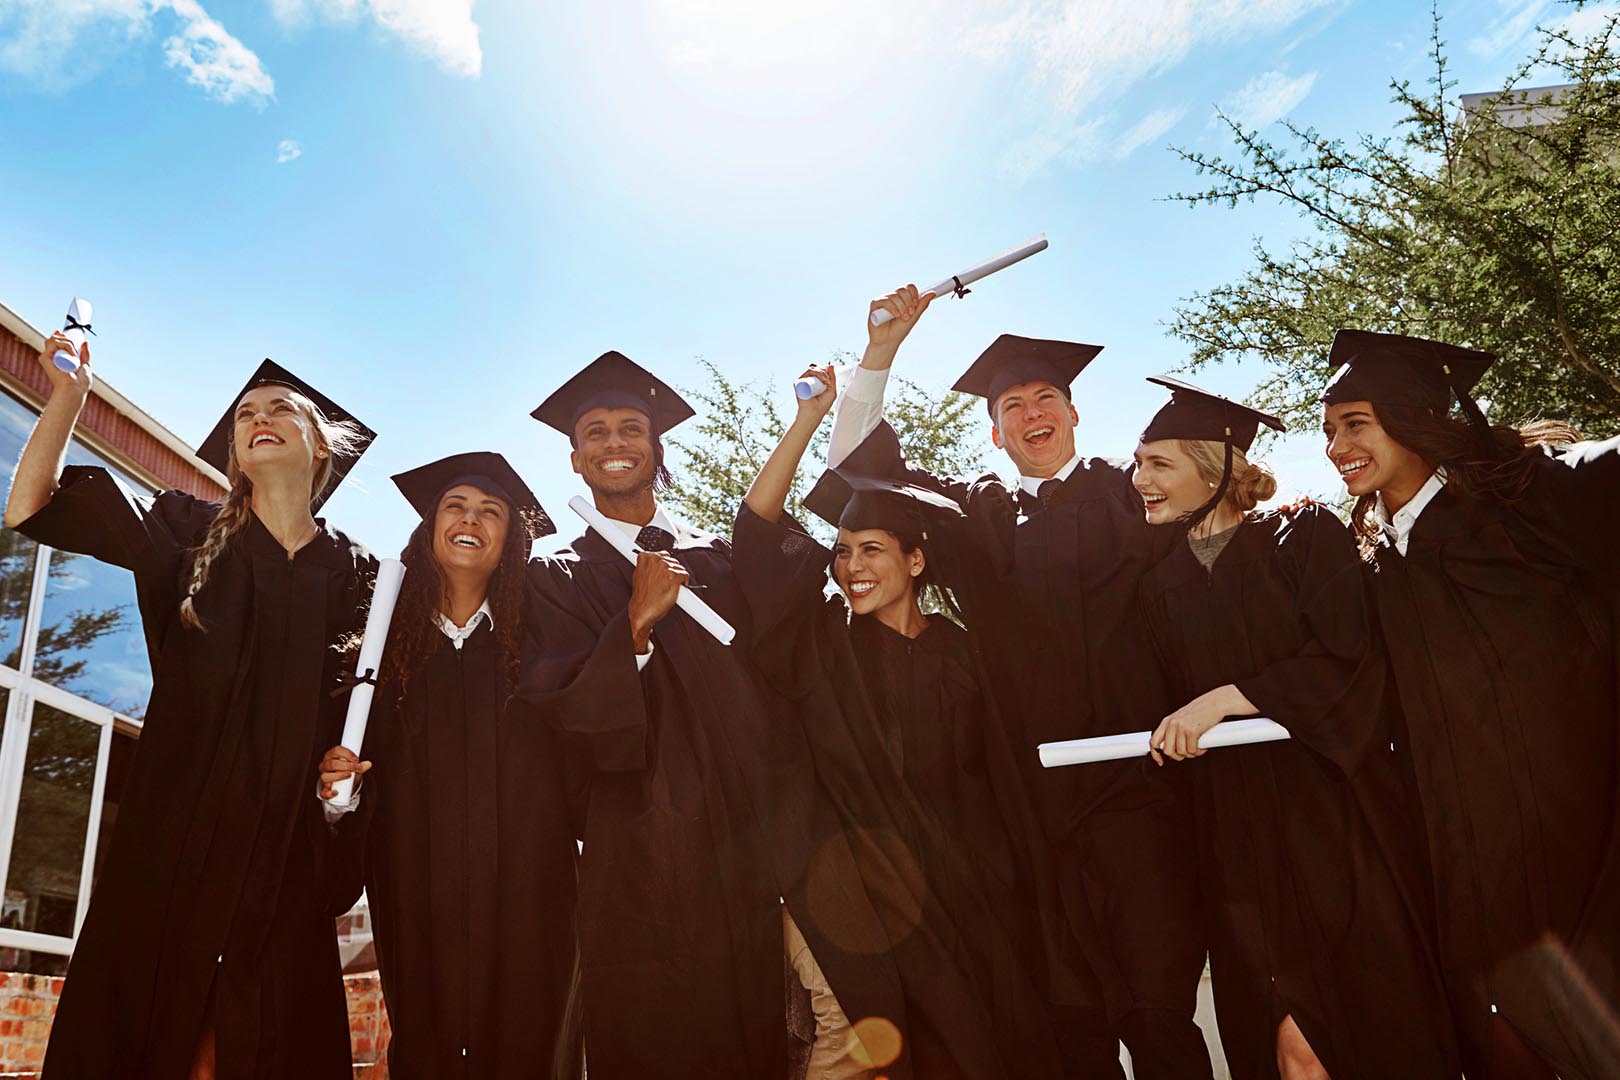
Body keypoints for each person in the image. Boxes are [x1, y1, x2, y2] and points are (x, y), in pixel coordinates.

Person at [828, 287, 1213, 1078]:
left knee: (1160, 1015)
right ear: (994, 429)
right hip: (1029, 813)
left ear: (1073, 413)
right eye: (1013, 403)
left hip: (1144, 790)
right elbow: (860, 464)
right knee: (1066, 1032)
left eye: (1047, 397)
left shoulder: (1137, 488)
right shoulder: (976, 513)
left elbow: (1230, 511)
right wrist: (881, 351)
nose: (1033, 412)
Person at [4, 346, 375, 1080]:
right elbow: (30, 508)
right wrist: (70, 401)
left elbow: (366, 721)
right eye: (246, 413)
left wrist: (346, 784)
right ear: (234, 450)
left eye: (279, 409)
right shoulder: (185, 527)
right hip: (171, 846)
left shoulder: (363, 574)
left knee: (258, 1044)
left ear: (321, 446)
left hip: (283, 861)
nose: (258, 418)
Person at [730, 363, 1070, 1078]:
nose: (852, 567)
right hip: (874, 903)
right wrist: (805, 422)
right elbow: (758, 536)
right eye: (843, 553)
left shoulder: (966, 657)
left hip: (980, 899)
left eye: (872, 551)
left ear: (916, 560)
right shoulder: (821, 647)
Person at [1133, 376, 1459, 1079]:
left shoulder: (1301, 535)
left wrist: (1227, 697)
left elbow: (1353, 661)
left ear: (1214, 466)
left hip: (1332, 830)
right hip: (1233, 844)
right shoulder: (1161, 585)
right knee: (1278, 1047)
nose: (1139, 479)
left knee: (1350, 1030)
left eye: (1158, 463)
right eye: (1138, 463)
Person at [1321, 329, 1620, 1080]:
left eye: (1355, 423)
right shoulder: (1375, 557)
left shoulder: (1521, 498)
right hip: (1467, 856)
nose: (1336, 445)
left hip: (1574, 831)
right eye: (1328, 430)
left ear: (1412, 413)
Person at [518, 351, 786, 1079]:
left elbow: (777, 678)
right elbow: (558, 708)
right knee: (648, 1033)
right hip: (631, 847)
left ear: (655, 448)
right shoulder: (554, 574)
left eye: (630, 428)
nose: (614, 443)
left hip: (737, 837)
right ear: (575, 460)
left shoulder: (718, 558)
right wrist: (633, 627)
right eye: (596, 433)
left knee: (750, 1029)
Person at [318, 451, 580, 1079]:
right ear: (429, 527)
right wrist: (339, 793)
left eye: (492, 512)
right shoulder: (380, 654)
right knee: (426, 1041)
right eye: (456, 506)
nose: (472, 519)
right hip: (415, 883)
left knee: (531, 1040)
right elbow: (348, 780)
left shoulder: (541, 646)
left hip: (528, 890)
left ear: (511, 540)